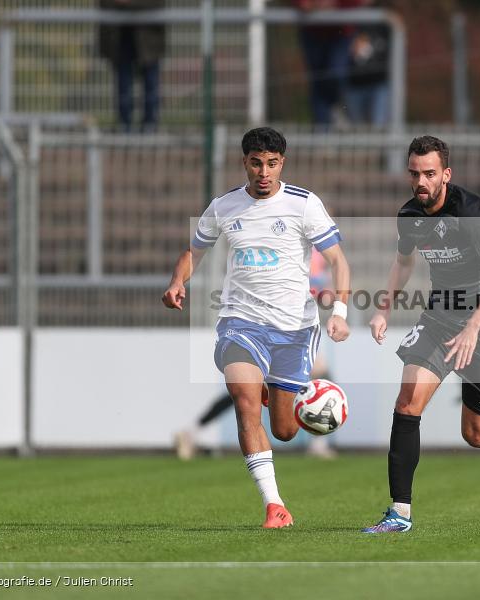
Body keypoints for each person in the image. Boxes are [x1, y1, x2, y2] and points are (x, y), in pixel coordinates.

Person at [162, 127, 351, 529]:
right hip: (241, 322)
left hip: (295, 329)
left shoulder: (304, 204)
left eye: (272, 164)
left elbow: (338, 261)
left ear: (282, 163)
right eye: (256, 163)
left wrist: (340, 312)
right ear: (244, 162)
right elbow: (193, 252)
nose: (264, 172)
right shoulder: (224, 206)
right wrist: (178, 281)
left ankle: (274, 391)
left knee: (285, 430)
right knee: (244, 401)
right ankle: (274, 505)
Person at [362, 136, 480, 534]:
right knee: (407, 403)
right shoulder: (409, 215)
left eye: (429, 174)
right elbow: (403, 263)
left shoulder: (469, 211)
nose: (420, 182)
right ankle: (399, 513)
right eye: (414, 174)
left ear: (446, 174)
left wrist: (473, 326)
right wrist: (383, 308)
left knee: (476, 433)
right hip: (439, 320)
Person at [174, 248, 339, 460]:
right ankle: (318, 443)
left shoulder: (316, 251)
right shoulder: (300, 248)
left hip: (296, 326)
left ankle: (192, 431)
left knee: (250, 390)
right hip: (280, 328)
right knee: (249, 390)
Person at [293, 0, 367, 127]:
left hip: (341, 33)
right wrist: (305, 3)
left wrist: (334, 4)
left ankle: (338, 107)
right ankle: (322, 130)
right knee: (318, 83)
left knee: (336, 74)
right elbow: (303, 4)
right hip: (313, 33)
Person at [98, 0, 166, 133]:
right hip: (121, 37)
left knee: (151, 84)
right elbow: (106, 4)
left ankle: (150, 127)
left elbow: (156, 4)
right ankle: (125, 127)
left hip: (149, 38)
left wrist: (127, 3)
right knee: (124, 85)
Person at [346, 23, 390, 127]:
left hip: (379, 83)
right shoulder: (350, 25)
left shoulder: (385, 25)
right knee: (356, 128)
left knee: (379, 125)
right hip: (353, 85)